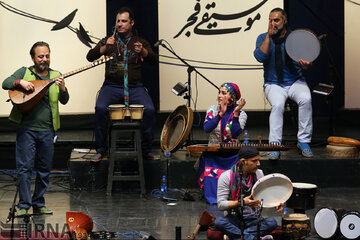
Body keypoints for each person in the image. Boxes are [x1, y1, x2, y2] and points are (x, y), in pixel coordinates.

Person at [2, 41, 69, 216]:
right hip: (27, 130)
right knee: (24, 168)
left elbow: (64, 100)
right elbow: (5, 83)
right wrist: (21, 82)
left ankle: (38, 203)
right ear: (33, 57)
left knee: (44, 169)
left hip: (48, 130)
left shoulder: (56, 75)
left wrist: (63, 88)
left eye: (47, 55)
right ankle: (24, 205)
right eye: (40, 56)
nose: (44, 59)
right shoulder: (25, 72)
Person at [86, 7, 158, 161]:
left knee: (150, 110)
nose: (120, 24)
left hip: (135, 88)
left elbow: (154, 60)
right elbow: (89, 56)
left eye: (124, 21)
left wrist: (143, 52)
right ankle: (101, 150)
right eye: (118, 21)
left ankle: (145, 150)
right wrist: (105, 47)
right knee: (100, 108)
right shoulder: (108, 40)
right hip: (111, 86)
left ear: (131, 23)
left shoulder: (140, 42)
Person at [253, 8, 313, 160]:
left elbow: (306, 63)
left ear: (285, 21)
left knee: (306, 98)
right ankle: (275, 145)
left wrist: (306, 66)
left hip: (294, 81)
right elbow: (260, 57)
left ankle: (304, 142)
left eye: (276, 20)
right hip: (273, 83)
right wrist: (268, 35)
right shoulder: (262, 38)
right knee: (278, 105)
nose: (272, 23)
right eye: (270, 20)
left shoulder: (295, 38)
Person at [214, 146, 282, 240]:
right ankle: (255, 237)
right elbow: (221, 205)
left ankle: (236, 236)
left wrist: (276, 202)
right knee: (219, 222)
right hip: (234, 219)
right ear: (243, 161)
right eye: (254, 161)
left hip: (254, 219)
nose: (258, 164)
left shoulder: (259, 173)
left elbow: (265, 194)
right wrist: (241, 203)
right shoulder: (226, 177)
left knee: (272, 222)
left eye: (259, 160)